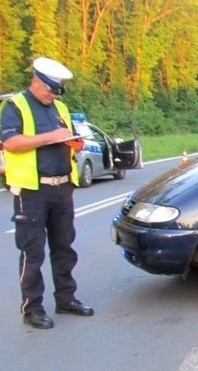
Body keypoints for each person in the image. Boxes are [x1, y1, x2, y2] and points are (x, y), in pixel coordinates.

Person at [0, 57, 94, 330]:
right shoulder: (15, 106)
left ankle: (66, 299)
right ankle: (33, 308)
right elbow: (10, 142)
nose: (54, 94)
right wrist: (49, 137)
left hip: (62, 187)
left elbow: (70, 139)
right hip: (32, 191)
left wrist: (74, 143)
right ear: (37, 81)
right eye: (51, 89)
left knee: (64, 247)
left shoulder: (60, 107)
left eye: (58, 91)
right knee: (33, 251)